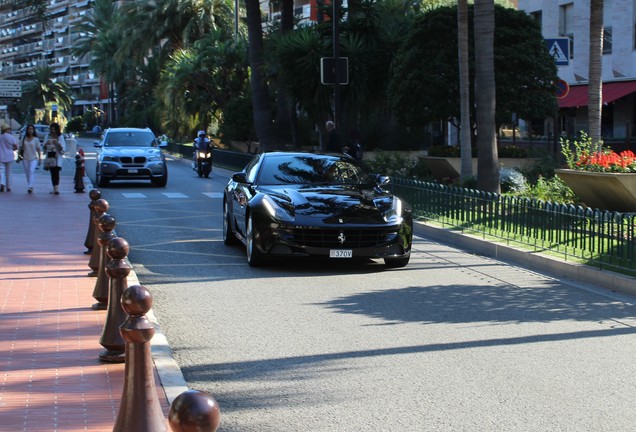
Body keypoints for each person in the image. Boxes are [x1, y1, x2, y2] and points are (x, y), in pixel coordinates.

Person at [42, 122, 66, 195]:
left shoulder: (60, 137)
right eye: (51, 129)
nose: (53, 131)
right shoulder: (48, 136)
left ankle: (56, 189)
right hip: (50, 156)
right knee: (52, 173)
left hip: (57, 157)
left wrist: (57, 144)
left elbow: (63, 149)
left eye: (54, 129)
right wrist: (47, 143)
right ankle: (54, 188)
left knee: (56, 173)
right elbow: (43, 147)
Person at [18, 124, 42, 193]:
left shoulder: (36, 139)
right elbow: (20, 147)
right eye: (29, 129)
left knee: (31, 171)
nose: (30, 130)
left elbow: (38, 149)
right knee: (27, 172)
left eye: (32, 129)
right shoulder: (24, 138)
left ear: (33, 130)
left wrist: (40, 159)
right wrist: (18, 157)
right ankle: (30, 184)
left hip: (33, 158)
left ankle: (30, 186)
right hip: (25, 158)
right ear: (27, 130)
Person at [0, 123, 18, 192]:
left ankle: (2, 183)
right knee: (9, 172)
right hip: (10, 156)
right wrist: (12, 149)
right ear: (7, 129)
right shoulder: (11, 137)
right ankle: (8, 186)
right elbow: (16, 146)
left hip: (1, 156)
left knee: (1, 171)